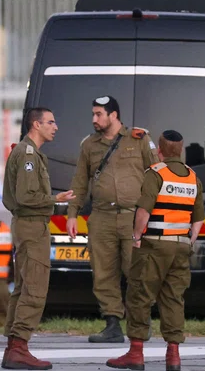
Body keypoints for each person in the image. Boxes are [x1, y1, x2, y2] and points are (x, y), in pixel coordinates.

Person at [107, 131, 205, 371]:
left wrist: (136, 236)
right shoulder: (193, 177)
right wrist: (189, 240)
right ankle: (173, 355)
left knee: (139, 294)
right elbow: (198, 219)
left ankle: (136, 353)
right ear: (180, 150)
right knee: (173, 297)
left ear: (160, 150)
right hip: (181, 246)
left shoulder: (156, 173)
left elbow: (144, 211)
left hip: (153, 245)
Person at [67, 96, 158, 344]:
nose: (94, 119)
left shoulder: (139, 140)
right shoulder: (89, 146)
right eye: (93, 114)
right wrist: (73, 213)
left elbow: (157, 176)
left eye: (99, 114)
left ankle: (140, 321)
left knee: (137, 270)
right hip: (102, 217)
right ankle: (112, 324)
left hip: (133, 217)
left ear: (113, 115)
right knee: (103, 272)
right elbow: (80, 182)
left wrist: (153, 213)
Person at [1, 108, 75, 370]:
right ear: (36, 124)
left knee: (23, 286)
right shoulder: (28, 154)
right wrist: (55, 199)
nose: (55, 127)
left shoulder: (29, 153)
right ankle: (19, 346)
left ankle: (14, 346)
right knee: (34, 286)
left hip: (28, 226)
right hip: (32, 227)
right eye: (50, 122)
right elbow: (25, 197)